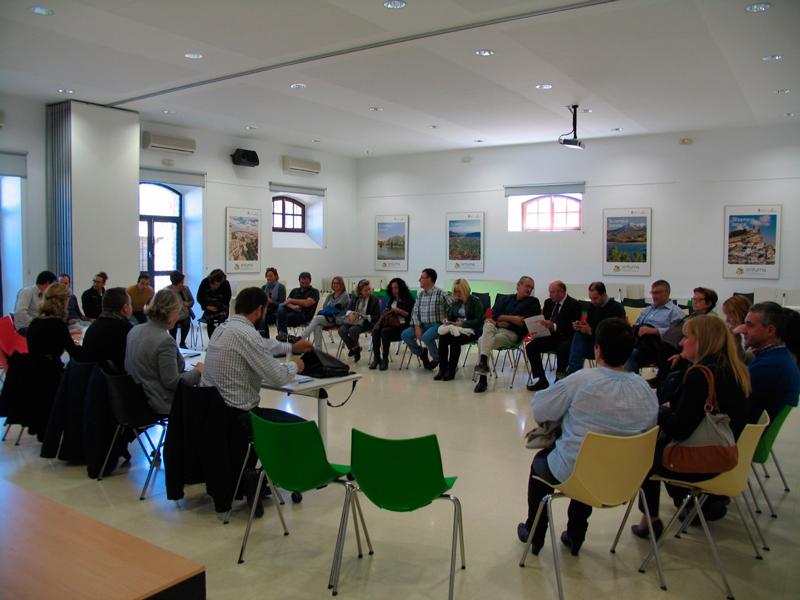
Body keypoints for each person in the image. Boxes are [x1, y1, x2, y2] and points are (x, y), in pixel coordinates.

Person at [518, 318, 658, 555]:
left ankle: (535, 531)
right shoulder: (645, 389)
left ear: (597, 349)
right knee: (592, 457)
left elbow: (540, 410)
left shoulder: (582, 380)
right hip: (627, 478)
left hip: (581, 472)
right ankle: (575, 534)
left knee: (545, 463)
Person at [634, 315, 752, 539]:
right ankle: (693, 502)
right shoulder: (736, 370)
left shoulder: (700, 376)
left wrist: (661, 411)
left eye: (686, 337)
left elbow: (680, 429)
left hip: (702, 458)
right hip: (726, 452)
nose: (680, 343)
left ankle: (650, 519)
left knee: (645, 455)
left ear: (702, 341)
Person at [201, 286, 313, 517]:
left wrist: (290, 346)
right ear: (260, 309)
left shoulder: (224, 328)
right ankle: (282, 479)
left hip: (216, 412)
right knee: (301, 426)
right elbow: (279, 377)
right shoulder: (247, 334)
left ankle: (254, 478)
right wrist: (297, 365)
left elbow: (262, 345)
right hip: (240, 415)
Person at [125, 289, 203, 415]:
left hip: (134, 399)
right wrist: (198, 371)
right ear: (170, 313)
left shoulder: (134, 330)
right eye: (178, 313)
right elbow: (173, 382)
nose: (178, 317)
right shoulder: (164, 341)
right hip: (159, 401)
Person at [473, 276, 540, 393]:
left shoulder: (533, 302)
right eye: (527, 286)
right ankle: (483, 365)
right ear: (518, 285)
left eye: (532, 287)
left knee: (481, 341)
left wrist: (504, 321)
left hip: (512, 334)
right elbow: (493, 315)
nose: (530, 289)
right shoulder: (505, 299)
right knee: (488, 324)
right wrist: (512, 318)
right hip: (495, 329)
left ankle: (482, 378)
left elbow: (524, 324)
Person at [739, 302, 800, 423]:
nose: (743, 330)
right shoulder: (778, 357)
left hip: (747, 435)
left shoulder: (769, 365)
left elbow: (737, 403)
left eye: (750, 325)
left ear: (770, 330)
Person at [525, 281, 582, 391]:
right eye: (549, 292)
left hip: (566, 337)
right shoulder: (548, 303)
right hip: (550, 336)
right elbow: (545, 320)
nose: (550, 295)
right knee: (531, 347)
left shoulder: (575, 305)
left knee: (563, 348)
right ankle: (542, 379)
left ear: (561, 292)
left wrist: (554, 326)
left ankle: (559, 379)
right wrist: (538, 330)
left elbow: (573, 327)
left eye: (552, 292)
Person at [624, 280, 685, 373]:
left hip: (658, 348)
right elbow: (637, 326)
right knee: (616, 349)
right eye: (652, 293)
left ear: (667, 293)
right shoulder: (648, 309)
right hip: (639, 342)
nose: (654, 296)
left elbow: (676, 334)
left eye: (657, 293)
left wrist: (654, 331)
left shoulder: (675, 312)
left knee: (630, 354)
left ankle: (632, 385)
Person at [565, 281, 626, 375]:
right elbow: (588, 324)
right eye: (591, 299)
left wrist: (590, 331)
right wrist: (580, 325)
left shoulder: (616, 308)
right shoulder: (592, 306)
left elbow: (614, 334)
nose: (593, 301)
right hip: (593, 344)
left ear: (604, 295)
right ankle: (573, 371)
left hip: (608, 346)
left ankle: (573, 372)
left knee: (576, 345)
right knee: (578, 334)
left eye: (595, 298)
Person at [401, 268, 451, 371]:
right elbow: (415, 312)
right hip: (422, 325)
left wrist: (447, 319)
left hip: (436, 324)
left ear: (430, 279)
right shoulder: (421, 294)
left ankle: (437, 359)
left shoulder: (441, 293)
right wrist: (417, 326)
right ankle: (422, 353)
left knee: (426, 337)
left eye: (422, 278)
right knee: (405, 334)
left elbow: (452, 308)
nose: (419, 280)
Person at [434, 278, 484, 381]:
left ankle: (451, 370)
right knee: (443, 338)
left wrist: (463, 324)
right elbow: (450, 316)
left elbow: (479, 321)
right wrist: (446, 320)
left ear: (465, 289)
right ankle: (442, 369)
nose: (457, 294)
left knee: (454, 339)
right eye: (455, 291)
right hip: (456, 328)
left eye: (459, 291)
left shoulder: (475, 301)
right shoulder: (456, 302)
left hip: (471, 330)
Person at [26, 283, 83, 367]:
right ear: (62, 302)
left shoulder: (35, 322)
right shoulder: (58, 324)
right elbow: (75, 353)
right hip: (52, 373)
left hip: (34, 371)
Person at [81, 287, 134, 372]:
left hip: (90, 379)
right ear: (125, 308)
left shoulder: (94, 326)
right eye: (131, 304)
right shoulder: (126, 329)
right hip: (115, 381)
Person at [369, 278, 414, 371]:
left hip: (403, 326)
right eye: (392, 288)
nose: (394, 290)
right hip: (390, 324)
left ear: (401, 288)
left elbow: (411, 315)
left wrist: (398, 310)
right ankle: (377, 358)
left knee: (385, 331)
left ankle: (385, 359)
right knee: (376, 330)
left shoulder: (408, 299)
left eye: (396, 288)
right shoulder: (391, 300)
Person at [301, 276, 349, 349]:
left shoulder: (345, 295)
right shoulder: (330, 296)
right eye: (333, 283)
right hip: (328, 318)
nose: (335, 284)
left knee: (317, 319)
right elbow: (325, 307)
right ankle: (319, 352)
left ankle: (301, 338)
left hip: (337, 319)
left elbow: (337, 308)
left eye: (337, 283)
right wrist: (331, 308)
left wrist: (330, 307)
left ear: (341, 284)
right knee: (317, 326)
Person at [338, 279, 381, 363]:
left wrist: (365, 316)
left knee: (353, 330)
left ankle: (355, 350)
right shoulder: (355, 298)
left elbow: (377, 316)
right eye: (365, 290)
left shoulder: (374, 300)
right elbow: (348, 309)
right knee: (341, 330)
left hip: (366, 322)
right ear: (360, 291)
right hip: (353, 320)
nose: (368, 292)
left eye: (369, 289)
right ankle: (355, 348)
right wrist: (350, 313)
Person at [275, 272, 320, 342]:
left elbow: (306, 303)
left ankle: (284, 339)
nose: (304, 285)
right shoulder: (294, 290)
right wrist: (293, 307)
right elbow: (286, 302)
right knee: (281, 306)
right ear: (299, 281)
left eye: (306, 283)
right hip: (292, 312)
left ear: (310, 281)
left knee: (279, 319)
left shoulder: (314, 292)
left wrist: (291, 300)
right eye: (302, 283)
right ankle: (285, 336)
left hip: (304, 315)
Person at [13, 270, 57, 335]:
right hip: (25, 328)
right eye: (53, 285)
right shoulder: (27, 292)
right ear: (47, 283)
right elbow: (20, 313)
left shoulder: (44, 295)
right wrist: (38, 324)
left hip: (37, 326)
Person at [197, 269, 232, 338]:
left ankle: (220, 340)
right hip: (209, 308)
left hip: (222, 308)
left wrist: (219, 307)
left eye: (217, 284)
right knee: (210, 323)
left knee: (221, 323)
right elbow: (199, 297)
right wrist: (207, 306)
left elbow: (227, 299)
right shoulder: (205, 282)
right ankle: (211, 341)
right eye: (212, 284)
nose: (214, 286)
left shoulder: (225, 284)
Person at [166, 270, 195, 349]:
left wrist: (187, 304)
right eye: (181, 282)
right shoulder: (167, 291)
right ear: (176, 283)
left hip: (184, 314)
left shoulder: (185, 289)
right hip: (173, 315)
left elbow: (192, 301)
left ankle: (182, 342)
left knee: (186, 321)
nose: (183, 284)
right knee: (172, 323)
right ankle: (173, 343)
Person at [259, 267, 286, 337]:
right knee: (260, 318)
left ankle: (281, 338)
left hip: (277, 313)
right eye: (267, 276)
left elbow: (282, 304)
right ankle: (265, 340)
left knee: (279, 317)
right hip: (266, 312)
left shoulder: (281, 287)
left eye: (271, 276)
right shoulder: (263, 287)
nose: (268, 278)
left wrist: (272, 302)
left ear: (276, 276)